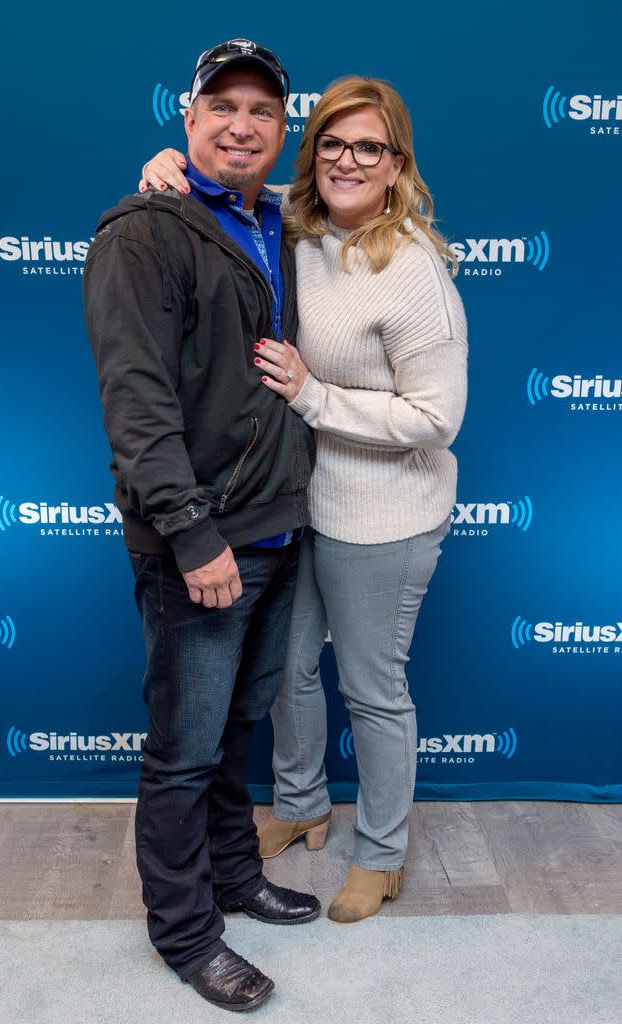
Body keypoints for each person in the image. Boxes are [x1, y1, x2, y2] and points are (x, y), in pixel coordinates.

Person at [139, 74, 468, 923]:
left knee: (370, 685)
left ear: (396, 165)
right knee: (285, 678)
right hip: (300, 500)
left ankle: (384, 852)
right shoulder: (299, 218)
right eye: (331, 141)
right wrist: (169, 164)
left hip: (385, 511)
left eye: (370, 147)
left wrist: (314, 396)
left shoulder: (413, 270)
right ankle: (301, 804)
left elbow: (437, 418)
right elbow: (230, 180)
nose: (347, 161)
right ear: (311, 149)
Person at [83, 39, 319, 1014]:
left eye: (260, 110)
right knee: (183, 748)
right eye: (220, 106)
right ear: (186, 122)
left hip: (276, 530)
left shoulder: (281, 227)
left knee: (232, 731)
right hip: (203, 543)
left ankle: (233, 877)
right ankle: (185, 934)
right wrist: (189, 532)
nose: (240, 124)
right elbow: (136, 399)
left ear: (281, 130)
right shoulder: (145, 230)